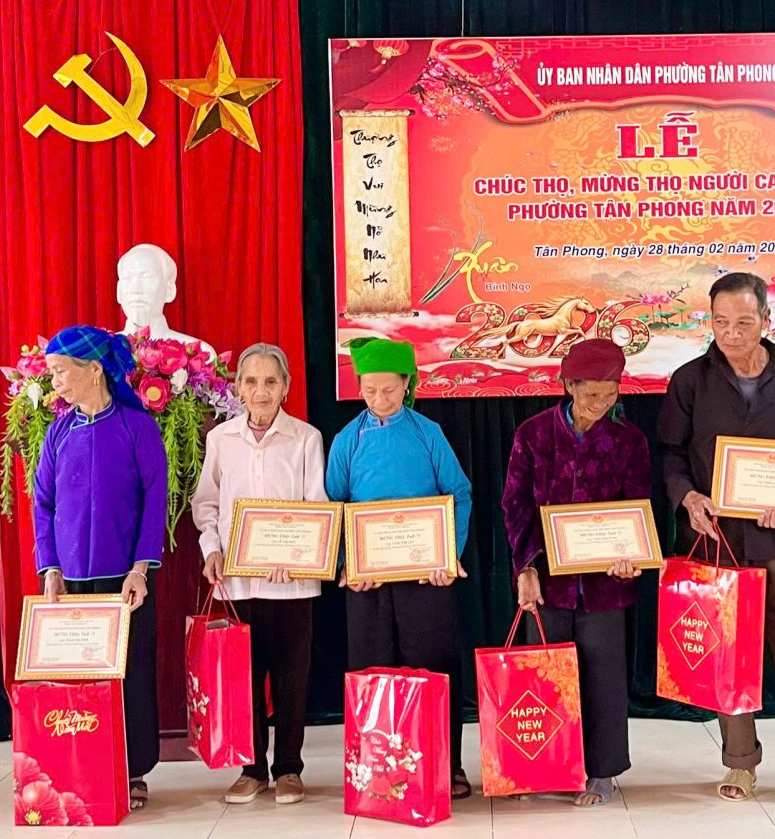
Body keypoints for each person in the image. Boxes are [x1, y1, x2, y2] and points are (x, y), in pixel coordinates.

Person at [658, 272, 775, 811]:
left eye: (743, 322)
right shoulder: (690, 380)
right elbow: (669, 454)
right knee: (727, 653)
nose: (731, 334)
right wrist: (688, 498)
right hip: (718, 538)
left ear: (766, 319)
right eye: (720, 323)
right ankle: (740, 762)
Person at [326, 337, 475, 799]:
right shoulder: (347, 440)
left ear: (407, 383)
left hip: (425, 576)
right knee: (372, 671)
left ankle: (446, 766)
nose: (380, 399)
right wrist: (347, 563)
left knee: (435, 669)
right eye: (370, 390)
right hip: (368, 580)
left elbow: (459, 493)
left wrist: (448, 555)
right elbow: (334, 505)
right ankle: (374, 770)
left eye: (389, 390)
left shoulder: (428, 433)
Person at [501, 339, 649, 807]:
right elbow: (515, 505)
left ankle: (602, 772)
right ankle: (544, 767)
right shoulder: (534, 434)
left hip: (606, 583)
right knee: (546, 676)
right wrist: (525, 567)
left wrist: (630, 555)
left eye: (610, 394)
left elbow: (637, 505)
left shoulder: (629, 440)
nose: (601, 404)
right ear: (568, 385)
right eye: (591, 394)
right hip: (548, 581)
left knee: (604, 676)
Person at [33, 325, 166, 810]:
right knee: (80, 679)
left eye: (60, 371)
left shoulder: (137, 428)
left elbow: (155, 502)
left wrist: (140, 569)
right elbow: (42, 504)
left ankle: (133, 772)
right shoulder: (58, 432)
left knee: (130, 676)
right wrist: (50, 568)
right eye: (51, 373)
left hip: (126, 580)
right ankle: (83, 767)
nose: (55, 382)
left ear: (93, 370)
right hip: (70, 582)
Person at [193, 343, 325, 806]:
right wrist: (211, 549)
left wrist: (300, 554)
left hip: (293, 583)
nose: (261, 391)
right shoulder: (221, 439)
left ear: (286, 387)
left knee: (291, 679)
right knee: (243, 679)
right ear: (238, 388)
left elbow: (317, 505)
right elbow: (206, 503)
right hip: (237, 580)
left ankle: (288, 768)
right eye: (251, 381)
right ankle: (251, 769)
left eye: (271, 381)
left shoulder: (306, 438)